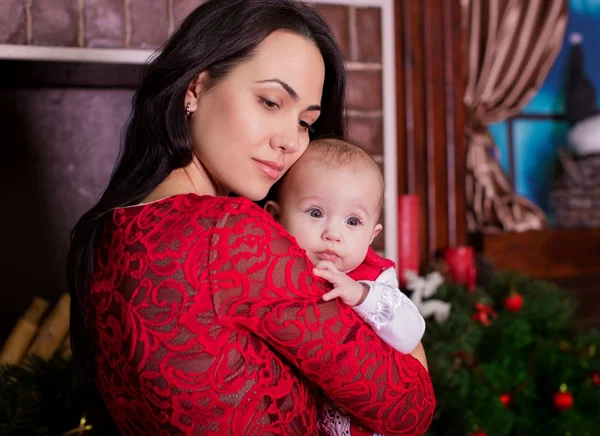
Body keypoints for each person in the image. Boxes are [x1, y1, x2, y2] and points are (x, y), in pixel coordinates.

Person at [66, 0, 436, 434]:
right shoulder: (231, 235)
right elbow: (409, 406)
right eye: (270, 101)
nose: (290, 141)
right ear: (196, 88)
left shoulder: (109, 233)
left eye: (305, 121)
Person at [265, 138, 428, 435]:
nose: (333, 233)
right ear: (276, 217)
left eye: (353, 221)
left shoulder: (374, 278)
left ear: (371, 236)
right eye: (315, 213)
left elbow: (411, 335)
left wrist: (361, 295)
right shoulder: (273, 273)